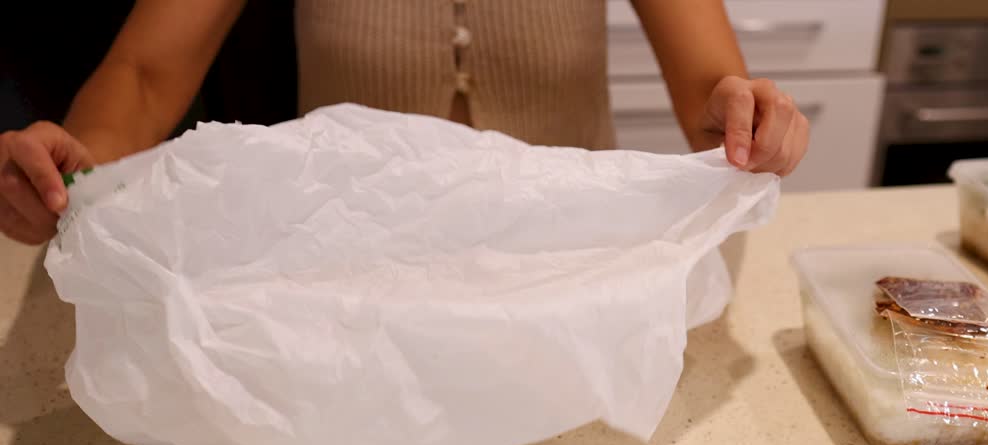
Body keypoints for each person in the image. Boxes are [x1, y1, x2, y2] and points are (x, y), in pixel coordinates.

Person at [0, 0, 810, 246]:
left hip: (570, 261)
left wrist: (744, 114)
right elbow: (143, 76)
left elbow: (711, 89)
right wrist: (77, 167)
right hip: (345, 269)